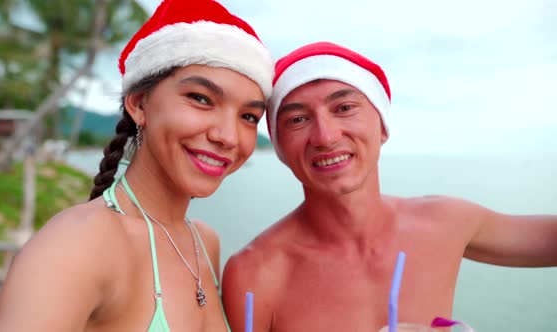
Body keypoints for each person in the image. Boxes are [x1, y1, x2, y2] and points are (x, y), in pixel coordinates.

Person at [221, 41, 557, 332]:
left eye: (345, 108)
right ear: (280, 147)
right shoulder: (254, 275)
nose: (325, 136)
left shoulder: (445, 224)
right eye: (297, 119)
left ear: (382, 126)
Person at [0, 0, 273, 331]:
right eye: (201, 98)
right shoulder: (74, 247)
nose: (228, 136)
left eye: (249, 116)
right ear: (139, 104)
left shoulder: (204, 243)